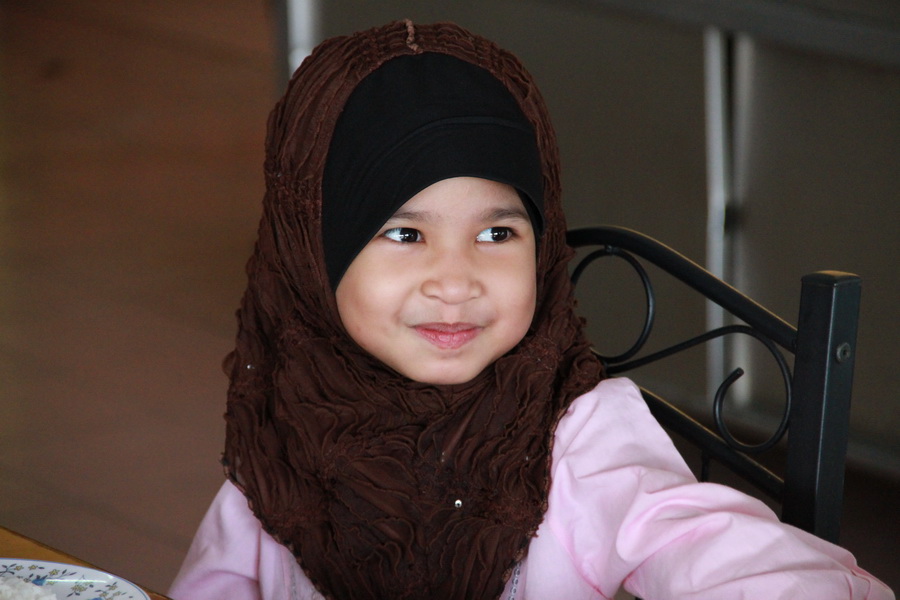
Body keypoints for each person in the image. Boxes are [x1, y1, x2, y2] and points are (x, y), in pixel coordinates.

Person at [168, 20, 894, 600]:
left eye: (497, 234)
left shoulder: (580, 440)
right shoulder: (285, 430)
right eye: (405, 234)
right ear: (311, 256)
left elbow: (721, 554)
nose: (455, 282)